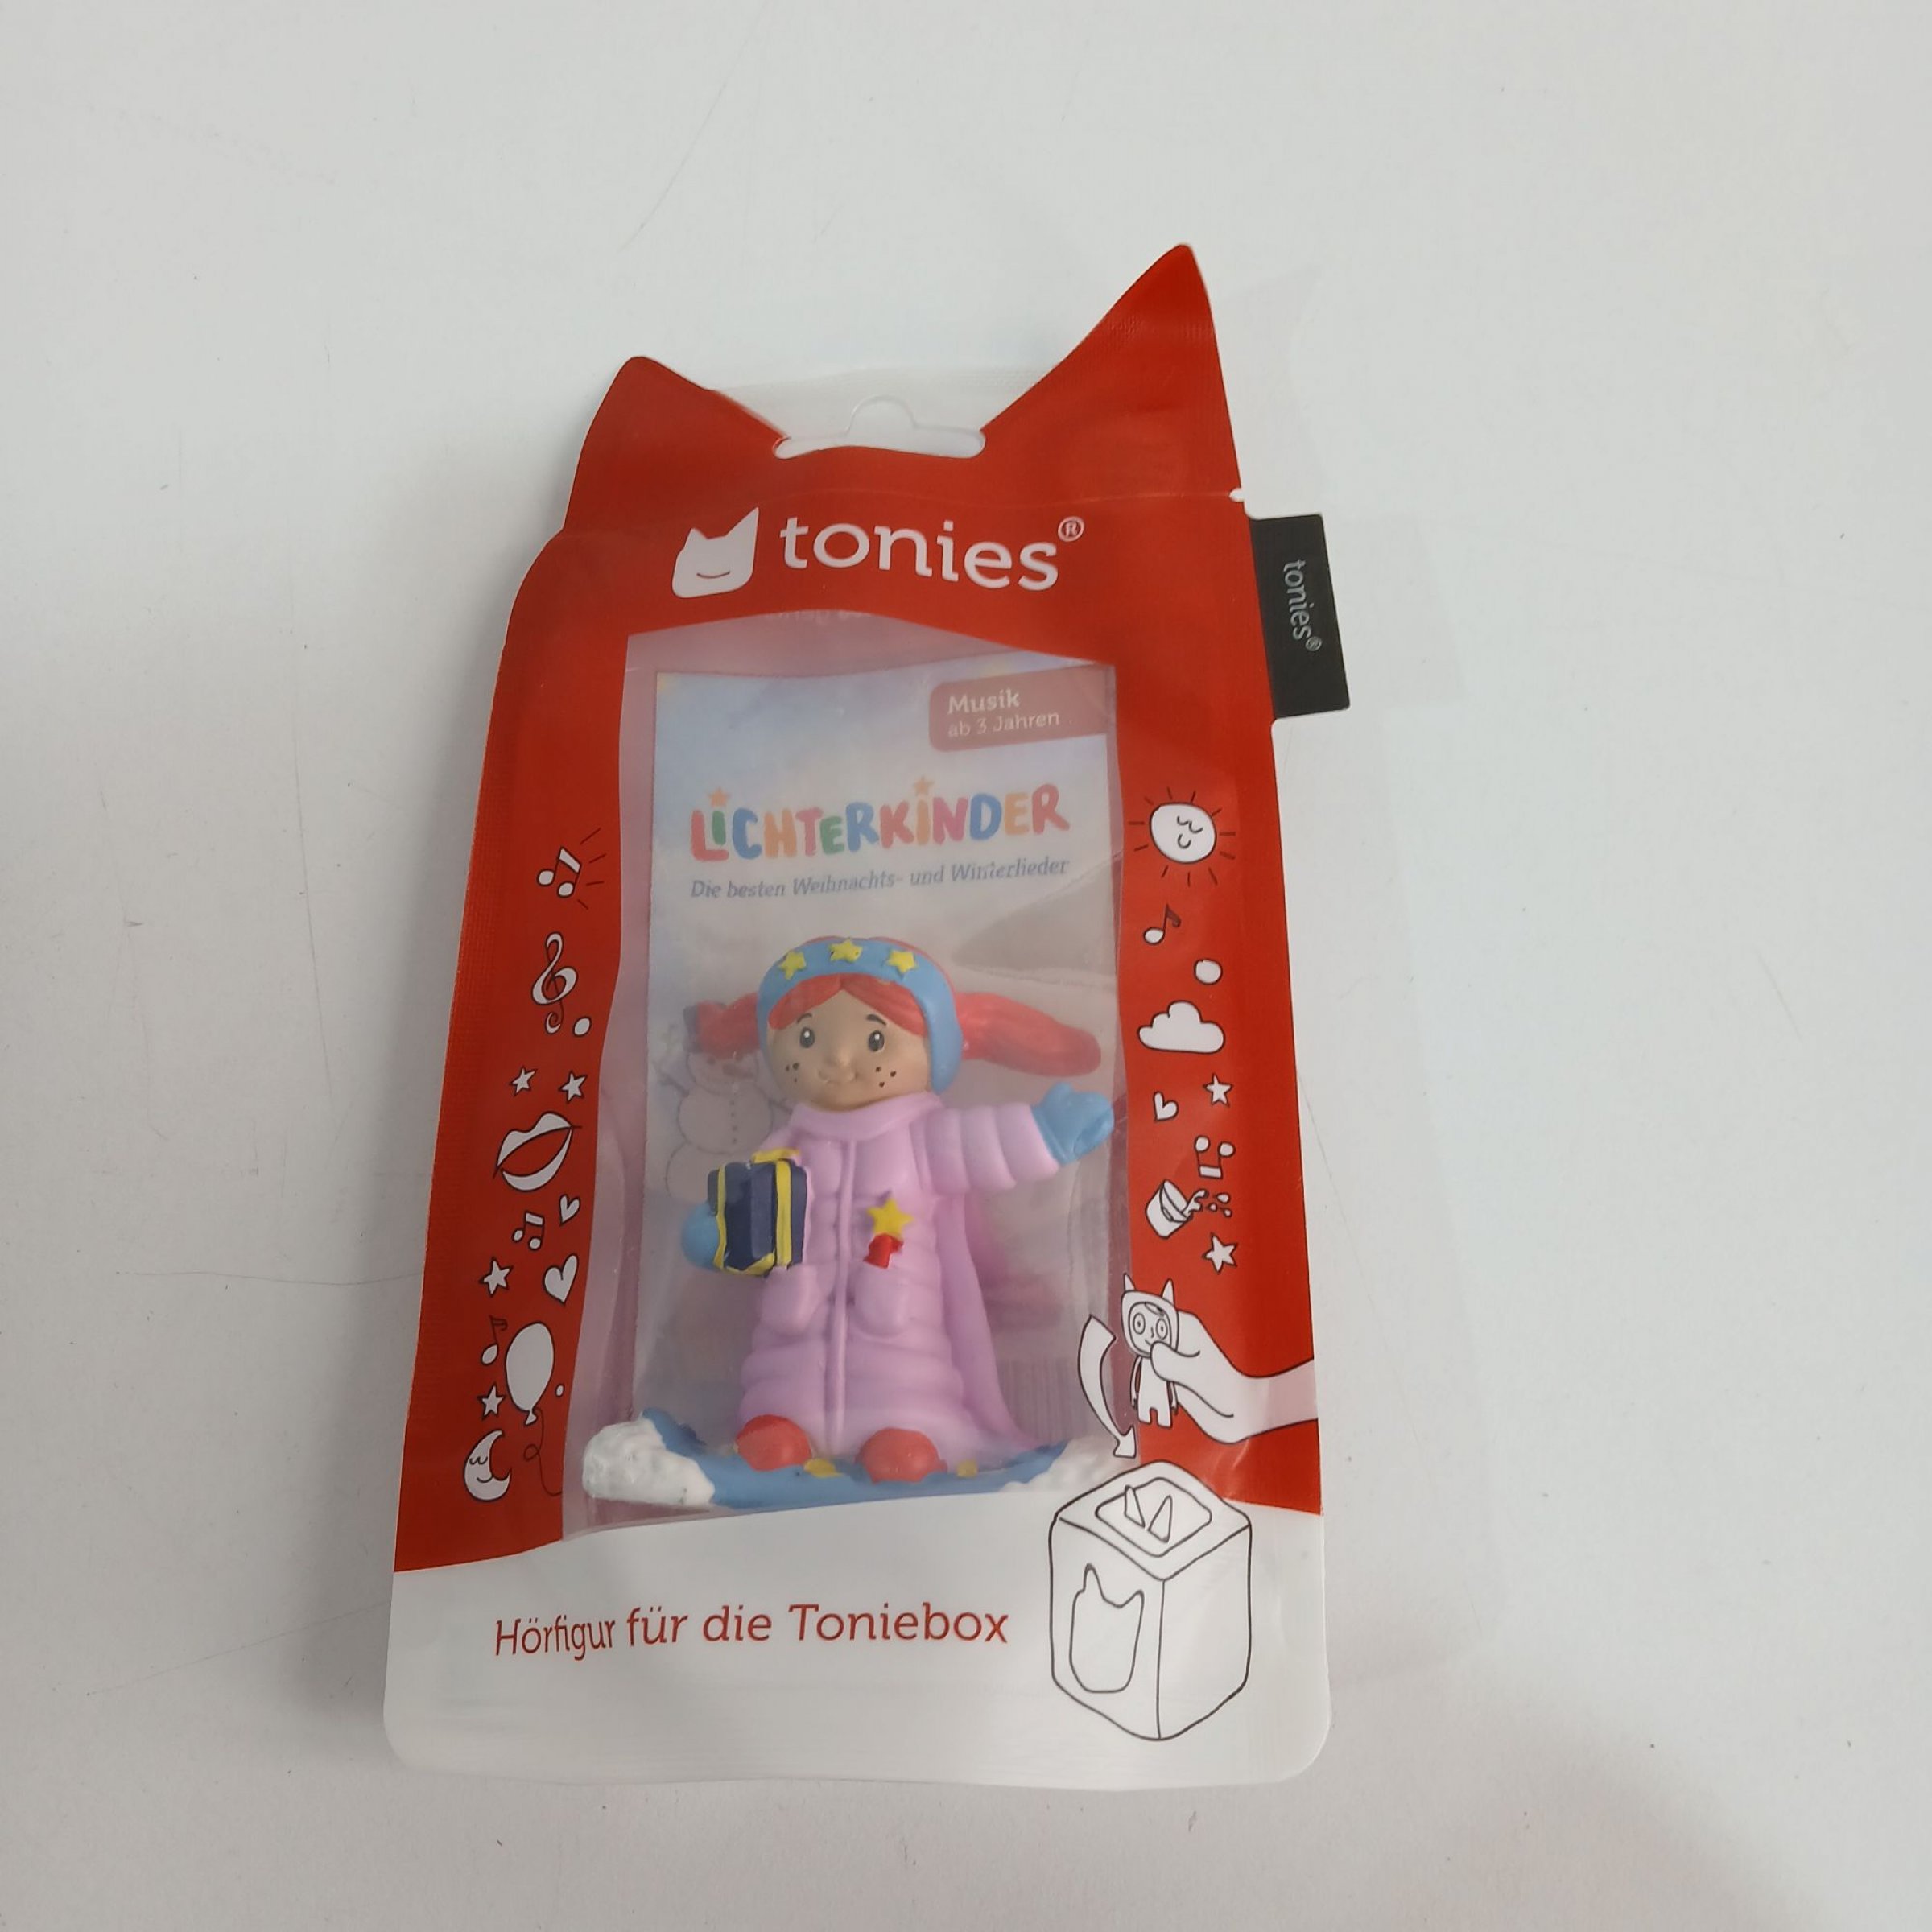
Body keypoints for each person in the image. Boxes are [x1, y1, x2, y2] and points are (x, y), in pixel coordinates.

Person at [681, 936, 1114, 1483]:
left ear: (935, 1049)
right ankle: (779, 1432)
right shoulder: (783, 1150)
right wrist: (715, 1233)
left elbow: (984, 1144)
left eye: (875, 1038)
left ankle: (902, 1437)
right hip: (793, 1340)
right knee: (782, 1390)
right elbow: (742, 1216)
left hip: (899, 1347)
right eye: (807, 1037)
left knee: (902, 1403)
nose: (839, 1058)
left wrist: (1046, 1133)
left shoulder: (922, 1139)